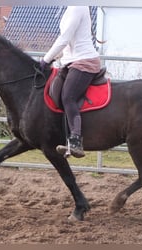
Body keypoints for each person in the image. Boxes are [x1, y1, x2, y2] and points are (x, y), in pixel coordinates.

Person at [40, 6, 101, 158]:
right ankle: (60, 135)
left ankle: (75, 141)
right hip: (71, 61)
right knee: (55, 92)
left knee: (68, 96)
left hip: (84, 61)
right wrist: (55, 59)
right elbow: (68, 44)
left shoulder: (78, 7)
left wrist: (45, 60)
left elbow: (64, 38)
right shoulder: (69, 8)